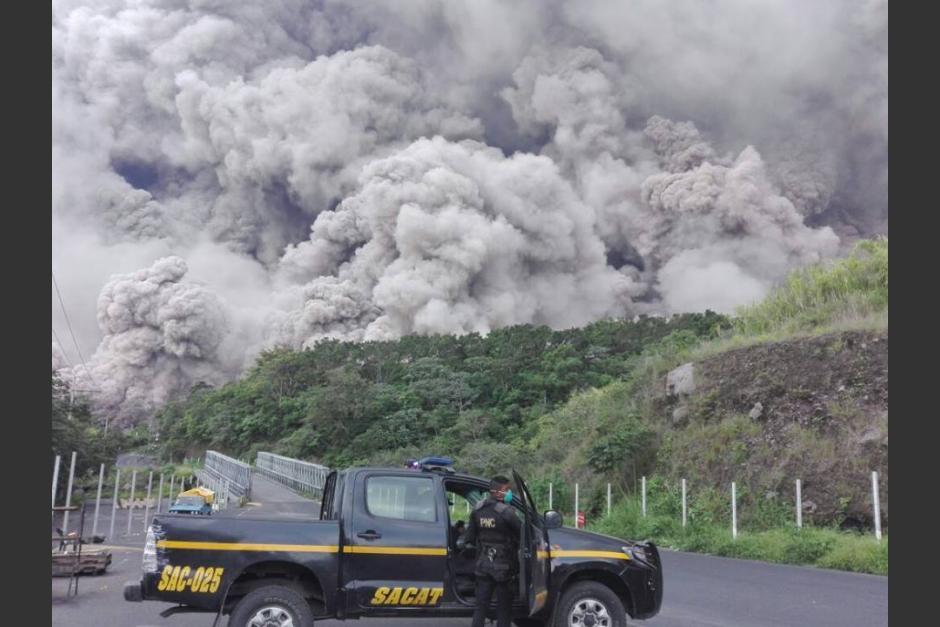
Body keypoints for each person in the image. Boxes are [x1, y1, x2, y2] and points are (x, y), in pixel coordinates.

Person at [458, 475, 522, 627]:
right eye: (507, 490)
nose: (509, 493)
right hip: (504, 567)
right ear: (498, 492)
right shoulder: (507, 512)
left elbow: (469, 538)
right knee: (504, 608)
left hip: (483, 564)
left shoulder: (478, 510)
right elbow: (523, 534)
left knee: (481, 606)